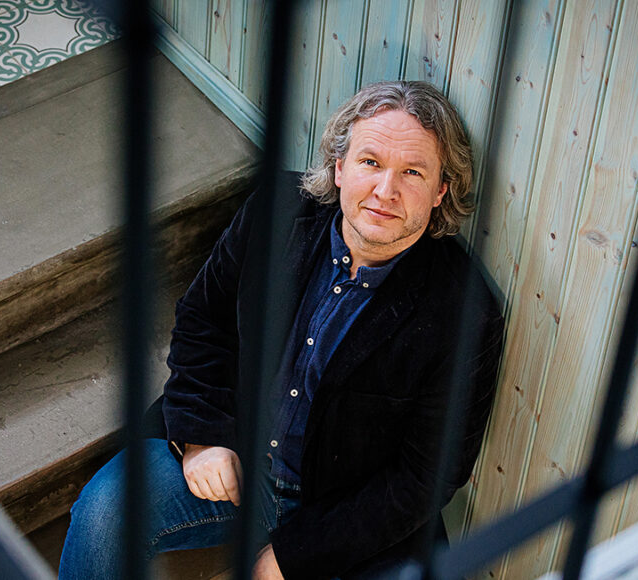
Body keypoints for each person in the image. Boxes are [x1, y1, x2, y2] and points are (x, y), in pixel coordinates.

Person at [59, 80, 505, 580]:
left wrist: (296, 555)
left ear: (441, 190)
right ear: (340, 167)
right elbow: (204, 320)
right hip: (237, 451)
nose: (385, 191)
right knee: (106, 513)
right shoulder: (277, 212)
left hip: (346, 509)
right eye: (370, 162)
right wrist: (202, 437)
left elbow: (425, 477)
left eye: (413, 172)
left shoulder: (466, 312)